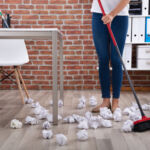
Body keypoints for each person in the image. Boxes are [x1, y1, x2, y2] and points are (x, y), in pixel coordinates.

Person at [91, 0, 130, 113]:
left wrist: (112, 14)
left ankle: (116, 102)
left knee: (116, 59)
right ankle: (106, 101)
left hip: (120, 15)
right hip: (99, 14)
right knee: (103, 59)